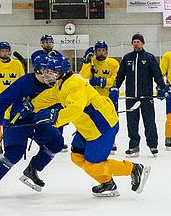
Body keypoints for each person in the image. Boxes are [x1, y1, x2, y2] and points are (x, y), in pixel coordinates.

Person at [28, 55, 150, 197]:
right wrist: (31, 105)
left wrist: (54, 119)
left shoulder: (74, 85)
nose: (47, 75)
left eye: (51, 72)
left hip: (103, 127)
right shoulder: (62, 85)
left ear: (62, 71)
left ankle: (133, 169)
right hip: (88, 128)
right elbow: (49, 96)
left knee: (93, 164)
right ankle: (107, 183)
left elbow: (75, 109)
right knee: (77, 156)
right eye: (47, 72)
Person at [0, 53, 64, 199]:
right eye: (47, 71)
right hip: (17, 121)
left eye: (53, 71)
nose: (51, 75)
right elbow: (4, 100)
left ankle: (32, 169)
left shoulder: (57, 85)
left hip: (39, 121)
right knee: (15, 152)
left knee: (56, 142)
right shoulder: (25, 82)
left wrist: (55, 113)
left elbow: (62, 103)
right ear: (38, 70)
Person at [114, 33, 166, 157]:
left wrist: (162, 87)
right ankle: (133, 146)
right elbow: (121, 75)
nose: (136, 43)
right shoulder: (127, 58)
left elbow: (157, 74)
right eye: (134, 41)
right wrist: (116, 86)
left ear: (143, 43)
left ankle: (152, 145)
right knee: (131, 122)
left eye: (138, 41)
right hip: (131, 97)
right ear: (132, 43)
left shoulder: (149, 57)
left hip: (146, 97)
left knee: (149, 122)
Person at [79, 40, 120, 153]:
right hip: (93, 98)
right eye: (98, 51)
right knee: (92, 121)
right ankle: (91, 141)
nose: (101, 53)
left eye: (103, 50)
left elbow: (114, 80)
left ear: (106, 51)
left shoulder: (113, 63)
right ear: (95, 52)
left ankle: (111, 141)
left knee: (111, 120)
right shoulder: (91, 62)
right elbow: (83, 76)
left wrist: (102, 82)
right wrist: (86, 62)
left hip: (109, 97)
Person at [0, 41, 26, 150]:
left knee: (11, 124)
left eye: (7, 51)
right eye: (2, 51)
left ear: (10, 52)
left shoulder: (17, 64)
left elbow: (23, 80)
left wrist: (24, 94)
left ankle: (11, 145)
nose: (5, 53)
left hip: (15, 99)